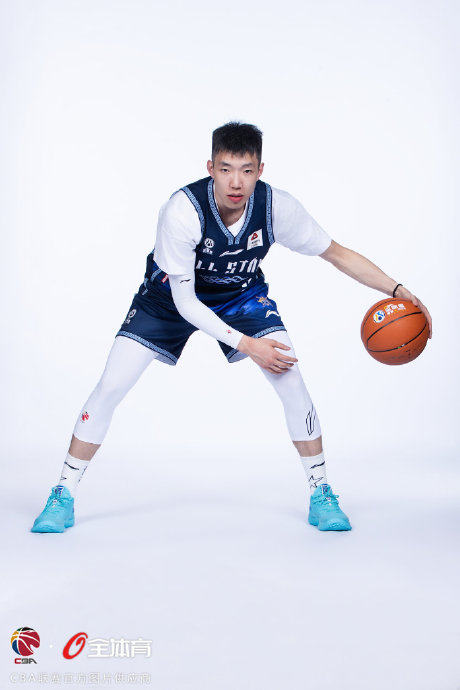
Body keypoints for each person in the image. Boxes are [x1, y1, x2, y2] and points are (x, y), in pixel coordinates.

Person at [31, 122, 432, 534]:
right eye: (225, 169)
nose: (235, 182)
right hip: (168, 298)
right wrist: (248, 345)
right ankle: (63, 493)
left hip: (240, 296)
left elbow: (337, 254)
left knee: (291, 379)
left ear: (260, 170)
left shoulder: (277, 208)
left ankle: (321, 491)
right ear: (210, 168)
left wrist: (397, 289)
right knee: (111, 385)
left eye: (246, 170)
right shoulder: (182, 211)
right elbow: (186, 303)